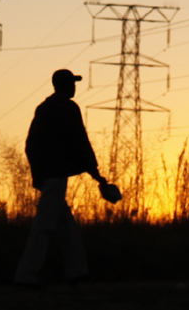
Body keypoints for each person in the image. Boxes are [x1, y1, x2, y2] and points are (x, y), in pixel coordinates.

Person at [16, 67, 114, 285]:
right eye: (72, 83)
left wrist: (37, 175)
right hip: (56, 175)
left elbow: (30, 144)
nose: (74, 87)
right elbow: (80, 141)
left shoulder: (44, 108)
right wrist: (96, 174)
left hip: (47, 175)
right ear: (66, 85)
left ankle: (77, 273)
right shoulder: (68, 108)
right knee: (44, 227)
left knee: (66, 227)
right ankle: (25, 276)